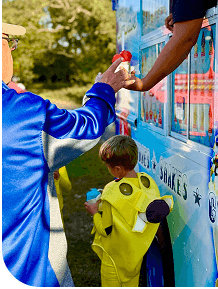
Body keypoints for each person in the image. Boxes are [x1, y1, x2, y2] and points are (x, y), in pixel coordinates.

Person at [2, 21, 135, 287]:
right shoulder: (21, 112)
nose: (12, 51)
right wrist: (103, 89)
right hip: (25, 271)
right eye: (9, 43)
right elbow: (84, 128)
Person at [84, 135, 173, 287]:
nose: (108, 169)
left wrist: (94, 213)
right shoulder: (147, 182)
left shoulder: (111, 190)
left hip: (113, 260)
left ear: (117, 169)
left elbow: (105, 229)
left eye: (108, 166)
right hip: (134, 258)